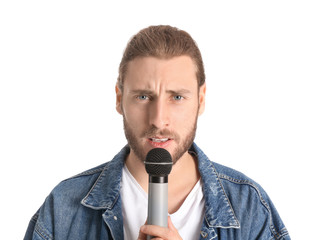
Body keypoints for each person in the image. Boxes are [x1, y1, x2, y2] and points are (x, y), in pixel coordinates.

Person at [24, 25, 290, 240]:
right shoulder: (64, 208)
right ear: (119, 99)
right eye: (142, 96)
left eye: (176, 97)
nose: (159, 119)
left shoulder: (251, 208)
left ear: (201, 99)